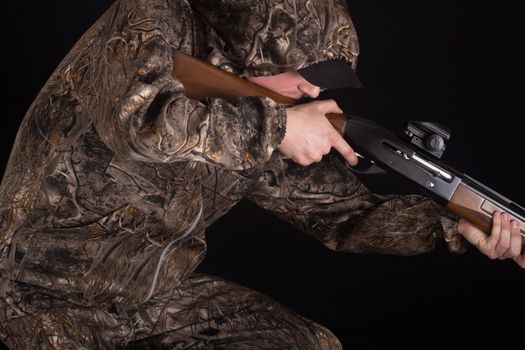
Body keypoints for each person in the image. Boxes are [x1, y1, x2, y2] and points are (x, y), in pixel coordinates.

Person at [0, 0, 522, 348]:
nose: (314, 92)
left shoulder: (254, 105)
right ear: (254, 44)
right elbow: (139, 121)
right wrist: (277, 127)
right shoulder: (151, 20)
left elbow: (337, 217)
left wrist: (455, 227)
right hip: (35, 292)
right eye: (308, 74)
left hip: (149, 296)